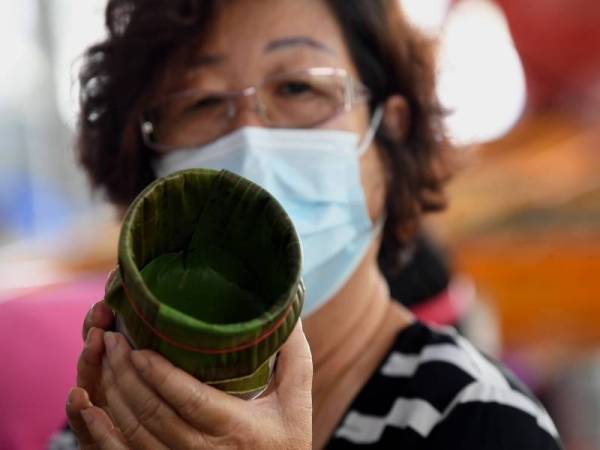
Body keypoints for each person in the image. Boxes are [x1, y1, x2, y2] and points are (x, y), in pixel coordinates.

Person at [64, 0, 563, 448]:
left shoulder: (482, 424)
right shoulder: (112, 424)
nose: (250, 137)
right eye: (202, 102)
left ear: (388, 133)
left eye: (298, 87)